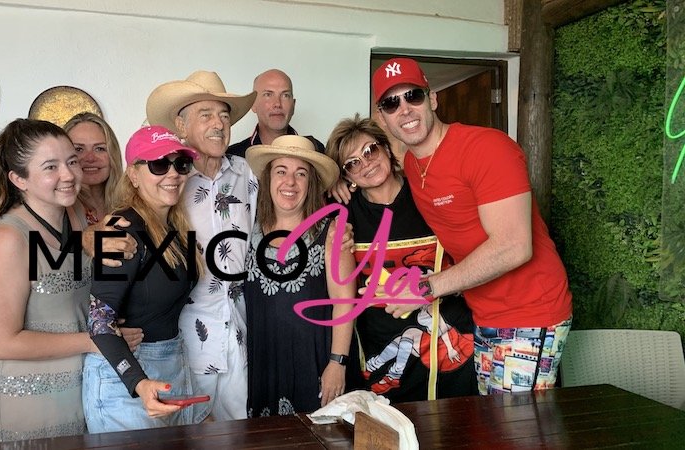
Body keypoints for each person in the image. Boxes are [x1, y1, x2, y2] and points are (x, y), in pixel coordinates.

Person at [370, 57, 573, 395]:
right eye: (392, 103)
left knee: (517, 423)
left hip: (530, 311)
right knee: (492, 419)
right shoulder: (411, 164)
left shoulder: (486, 148)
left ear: (433, 99)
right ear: (383, 117)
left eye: (413, 96)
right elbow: (369, 160)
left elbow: (514, 245)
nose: (404, 109)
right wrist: (339, 183)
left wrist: (425, 288)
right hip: (484, 314)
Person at [0, 119, 139, 443]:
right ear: (19, 179)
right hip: (20, 399)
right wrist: (95, 341)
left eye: (71, 162)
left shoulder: (77, 213)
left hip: (75, 391)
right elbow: (2, 343)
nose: (68, 175)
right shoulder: (8, 238)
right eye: (50, 167)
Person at [325, 114, 477, 402]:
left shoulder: (429, 194)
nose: (366, 163)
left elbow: (472, 261)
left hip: (448, 352)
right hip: (380, 355)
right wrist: (338, 360)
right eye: (352, 163)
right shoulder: (343, 214)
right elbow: (342, 297)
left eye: (370, 150)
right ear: (347, 177)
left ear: (386, 148)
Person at [145, 70, 257, 421]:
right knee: (187, 436)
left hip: (240, 333)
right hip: (183, 340)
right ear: (181, 125)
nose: (219, 124)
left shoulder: (248, 173)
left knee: (241, 434)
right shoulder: (167, 179)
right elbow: (130, 223)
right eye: (205, 115)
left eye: (224, 116)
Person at [83, 125, 202, 432]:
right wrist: (137, 381)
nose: (173, 173)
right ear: (133, 175)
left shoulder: (175, 227)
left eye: (181, 164)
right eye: (159, 164)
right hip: (126, 379)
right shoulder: (122, 231)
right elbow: (99, 321)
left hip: (171, 365)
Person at [244, 135, 355, 415]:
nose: (290, 182)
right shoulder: (247, 230)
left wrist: (337, 362)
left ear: (311, 183)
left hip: (315, 366)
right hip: (262, 368)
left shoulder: (332, 234)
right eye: (281, 171)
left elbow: (345, 303)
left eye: (301, 174)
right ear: (268, 178)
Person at [228, 69, 325, 158]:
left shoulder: (316, 150)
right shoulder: (233, 157)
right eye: (268, 95)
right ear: (253, 104)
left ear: (293, 105)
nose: (277, 104)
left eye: (285, 95)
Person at [63, 112, 124, 225]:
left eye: (99, 149)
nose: (90, 158)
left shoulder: (131, 205)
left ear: (113, 154)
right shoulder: (60, 210)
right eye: (78, 149)